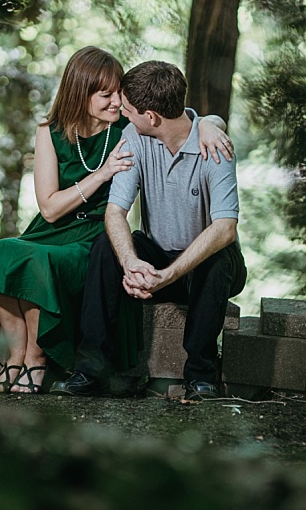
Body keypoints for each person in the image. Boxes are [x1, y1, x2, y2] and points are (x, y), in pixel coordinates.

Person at [0, 47, 233, 394]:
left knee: (48, 260)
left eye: (121, 92)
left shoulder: (128, 127)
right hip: (56, 228)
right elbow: (51, 209)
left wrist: (209, 123)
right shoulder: (60, 130)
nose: (119, 102)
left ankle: (39, 362)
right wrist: (103, 177)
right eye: (108, 94)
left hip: (94, 230)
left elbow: (173, 118)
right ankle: (19, 359)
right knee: (4, 251)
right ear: (80, 93)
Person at [51, 60, 247, 401]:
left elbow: (226, 228)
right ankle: (92, 370)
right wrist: (130, 263)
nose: (123, 114)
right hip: (156, 257)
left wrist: (168, 275)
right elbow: (115, 212)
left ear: (152, 116)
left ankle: (201, 377)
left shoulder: (215, 146)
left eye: (128, 109)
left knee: (217, 260)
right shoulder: (134, 137)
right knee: (103, 248)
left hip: (203, 264)